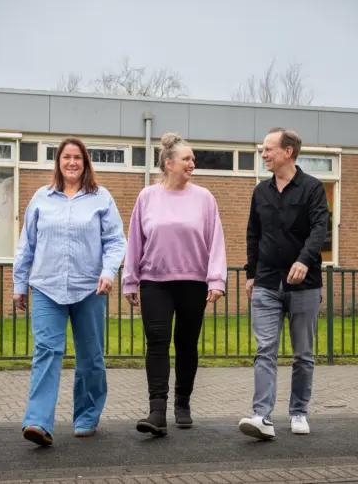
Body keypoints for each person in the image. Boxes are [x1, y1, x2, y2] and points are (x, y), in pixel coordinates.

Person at [13, 137, 127, 447]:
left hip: (89, 289)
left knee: (91, 357)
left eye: (77, 157)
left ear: (86, 162)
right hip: (47, 288)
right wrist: (18, 284)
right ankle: (37, 421)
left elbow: (116, 241)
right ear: (58, 163)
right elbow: (27, 244)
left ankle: (86, 416)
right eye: (66, 158)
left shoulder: (101, 198)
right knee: (46, 353)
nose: (72, 162)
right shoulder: (41, 198)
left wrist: (108, 272)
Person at [122, 132, 227, 436]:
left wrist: (216, 279)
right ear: (168, 164)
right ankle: (157, 412)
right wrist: (130, 280)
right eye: (187, 159)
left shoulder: (204, 198)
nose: (192, 164)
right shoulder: (147, 197)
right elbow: (135, 241)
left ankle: (183, 402)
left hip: (193, 282)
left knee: (185, 344)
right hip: (155, 282)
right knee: (156, 342)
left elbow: (215, 240)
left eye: (193, 159)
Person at [238, 128, 329, 440]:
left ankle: (299, 411)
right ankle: (262, 416)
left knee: (302, 354)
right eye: (263, 150)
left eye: (268, 149)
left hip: (304, 285)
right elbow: (253, 234)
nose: (264, 154)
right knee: (265, 350)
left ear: (287, 152)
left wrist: (304, 260)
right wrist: (251, 274)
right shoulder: (260, 192)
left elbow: (320, 228)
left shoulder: (312, 188)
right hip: (266, 281)